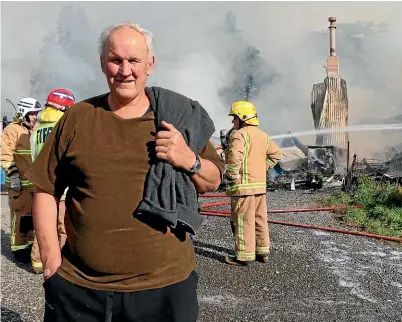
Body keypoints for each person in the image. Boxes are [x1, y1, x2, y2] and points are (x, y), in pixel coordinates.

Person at [26, 22, 223, 322]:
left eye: (134, 61)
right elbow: (45, 188)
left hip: (165, 290)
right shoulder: (78, 118)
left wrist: (188, 159)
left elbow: (212, 180)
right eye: (116, 60)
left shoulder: (177, 116)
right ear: (103, 63)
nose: (125, 70)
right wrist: (51, 263)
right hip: (80, 290)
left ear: (150, 64)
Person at [223, 100, 282, 266]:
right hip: (259, 188)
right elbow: (276, 155)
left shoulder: (239, 135)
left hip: (243, 188)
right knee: (260, 219)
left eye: (234, 117)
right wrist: (263, 167)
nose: (232, 121)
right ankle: (262, 252)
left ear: (243, 117)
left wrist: (231, 174)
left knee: (243, 221)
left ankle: (243, 256)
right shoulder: (262, 135)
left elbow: (235, 156)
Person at [29, 88, 76, 274]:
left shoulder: (37, 127)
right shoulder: (63, 125)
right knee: (64, 226)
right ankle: (63, 263)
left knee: (43, 225)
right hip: (62, 186)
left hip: (41, 184)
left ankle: (37, 263)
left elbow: (33, 155)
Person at [1, 97, 42, 265]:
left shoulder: (38, 129)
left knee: (32, 218)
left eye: (36, 114)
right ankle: (18, 250)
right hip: (19, 186)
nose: (34, 117)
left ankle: (30, 245)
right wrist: (14, 175)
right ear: (22, 113)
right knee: (20, 218)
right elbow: (4, 157)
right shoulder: (11, 130)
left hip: (34, 185)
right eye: (31, 114)